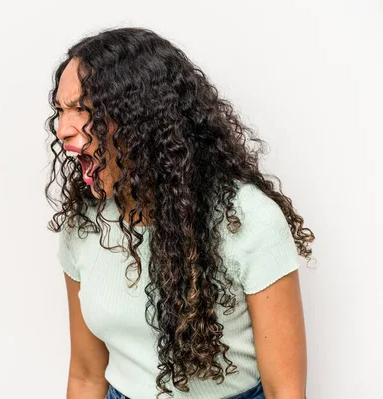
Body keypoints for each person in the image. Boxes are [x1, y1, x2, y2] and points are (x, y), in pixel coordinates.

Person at [44, 27, 314, 399]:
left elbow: (285, 390)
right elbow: (87, 376)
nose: (62, 129)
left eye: (82, 109)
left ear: (142, 118)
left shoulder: (248, 219)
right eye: (60, 110)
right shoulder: (84, 225)